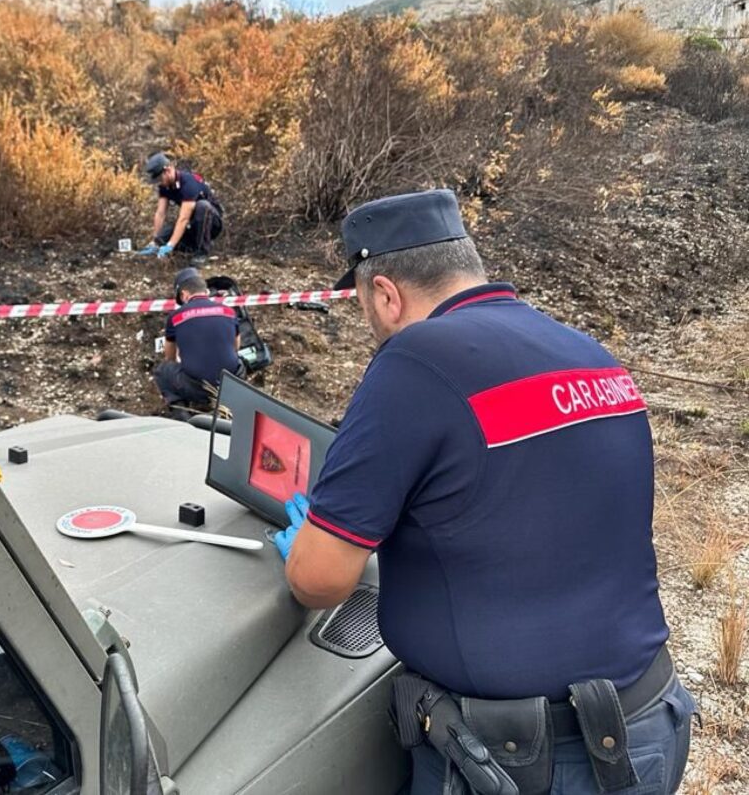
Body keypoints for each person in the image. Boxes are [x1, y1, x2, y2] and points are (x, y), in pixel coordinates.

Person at [273, 189, 693, 795]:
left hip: (529, 763)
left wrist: (306, 548)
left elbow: (319, 580)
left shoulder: (413, 362)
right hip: (650, 725)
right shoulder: (586, 353)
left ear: (386, 294)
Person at [153, 268, 242, 419]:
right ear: (206, 291)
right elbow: (236, 346)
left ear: (184, 294)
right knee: (240, 362)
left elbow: (170, 356)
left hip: (197, 388)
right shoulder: (229, 311)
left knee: (163, 371)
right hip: (230, 382)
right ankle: (235, 408)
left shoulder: (176, 317)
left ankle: (181, 414)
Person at [137, 153, 224, 266]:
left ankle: (201, 253)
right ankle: (160, 247)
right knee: (167, 232)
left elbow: (183, 218)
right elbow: (160, 213)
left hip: (211, 222)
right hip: (192, 223)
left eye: (160, 178)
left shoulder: (188, 183)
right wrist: (156, 239)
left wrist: (170, 245)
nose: (159, 182)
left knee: (202, 206)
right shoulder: (165, 186)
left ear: (167, 171)